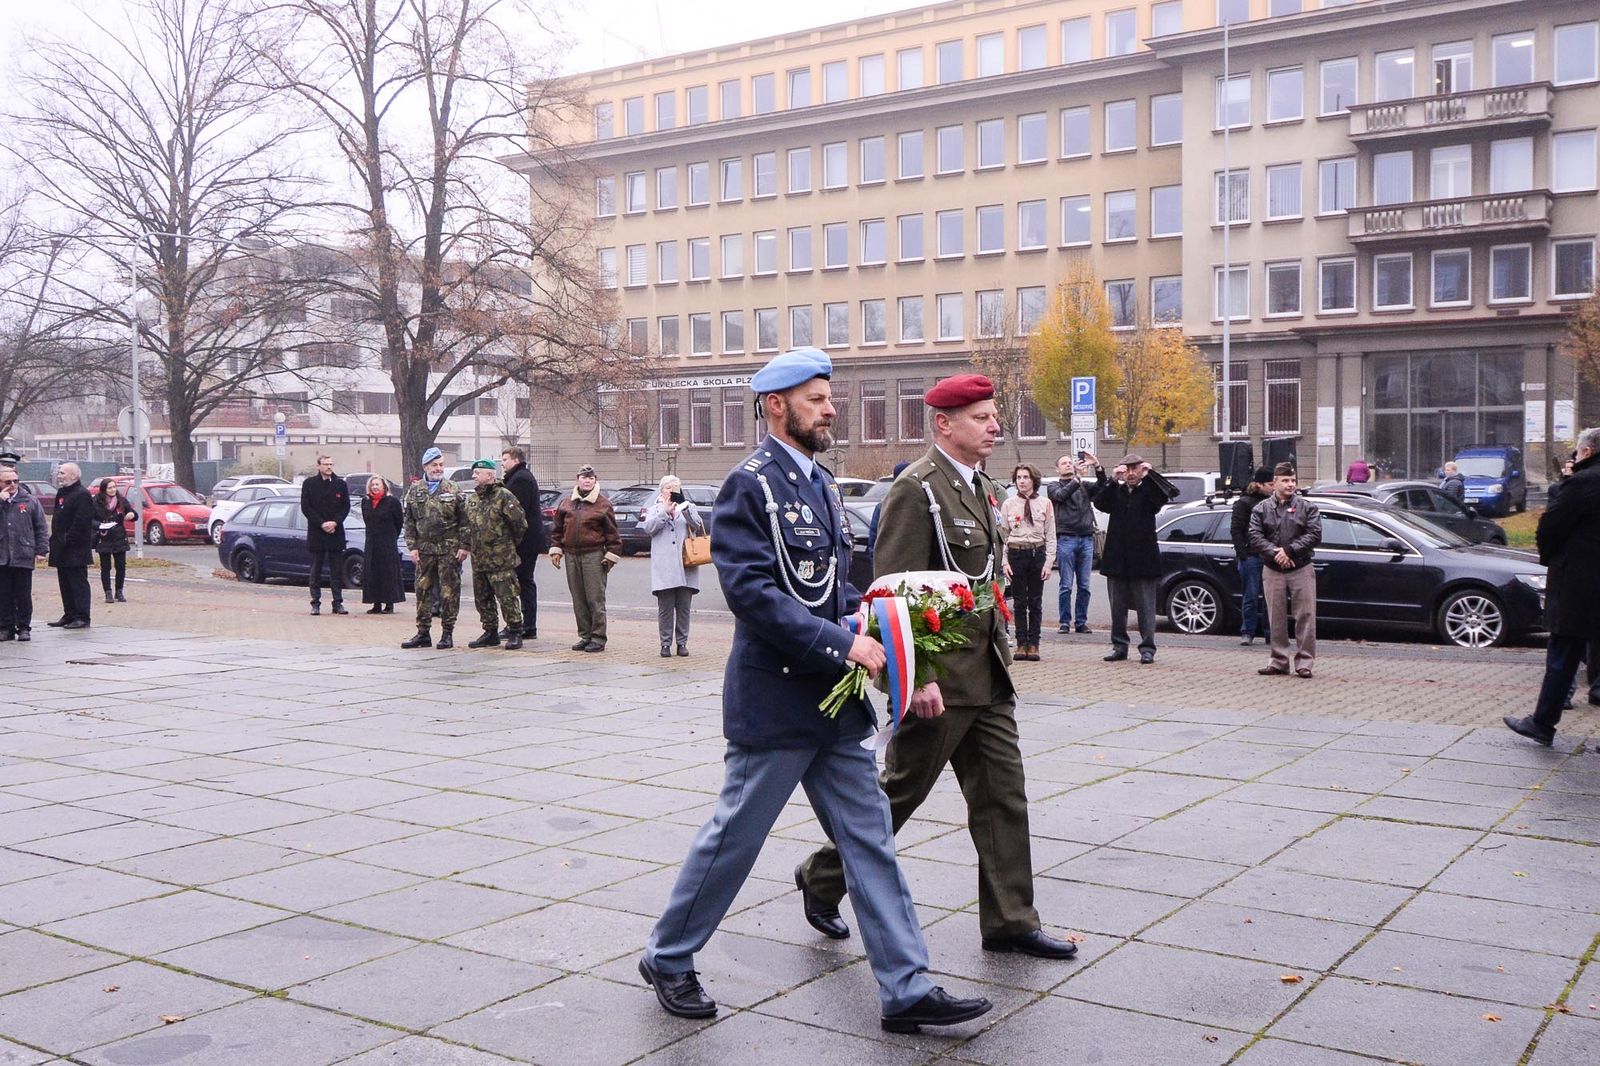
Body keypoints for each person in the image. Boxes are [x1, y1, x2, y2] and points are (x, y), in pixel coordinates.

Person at [641, 348, 992, 1034]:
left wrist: (902, 663)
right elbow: (752, 593)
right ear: (778, 405)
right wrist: (841, 644)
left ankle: (905, 987)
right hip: (775, 703)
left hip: (836, 707)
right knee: (733, 841)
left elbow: (852, 591)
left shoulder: (823, 485)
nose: (831, 408)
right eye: (818, 398)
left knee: (870, 843)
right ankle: (669, 955)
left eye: (829, 398)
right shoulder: (752, 486)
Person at [797, 372, 1079, 963]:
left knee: (1005, 797)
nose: (994, 425)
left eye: (993, 415)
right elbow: (888, 597)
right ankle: (822, 878)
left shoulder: (979, 487)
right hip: (940, 682)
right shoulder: (918, 489)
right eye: (981, 417)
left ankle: (1010, 920)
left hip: (989, 676)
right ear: (944, 424)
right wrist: (913, 678)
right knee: (898, 795)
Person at [1505, 427, 1600, 747]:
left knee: (1562, 654)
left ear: (1587, 452)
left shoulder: (1583, 483)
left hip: (1579, 582)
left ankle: (1543, 723)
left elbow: (1550, 526)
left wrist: (1550, 557)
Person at [1249, 463, 1322, 679]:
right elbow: (1254, 536)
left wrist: (1290, 551)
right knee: (1275, 616)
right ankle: (1279, 660)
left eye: (1293, 480)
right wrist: (1275, 553)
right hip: (1273, 569)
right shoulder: (1261, 508)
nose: (1290, 484)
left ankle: (1304, 662)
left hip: (1300, 567)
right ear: (1275, 482)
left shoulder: (1307, 507)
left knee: (1306, 615)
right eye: (1285, 481)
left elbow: (1314, 534)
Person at [1093, 453, 1166, 664]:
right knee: (1118, 608)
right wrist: (1113, 479)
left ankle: (1147, 648)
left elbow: (1161, 499)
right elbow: (1099, 503)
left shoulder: (1148, 490)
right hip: (1117, 559)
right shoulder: (1116, 491)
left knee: (1145, 608)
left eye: (1136, 469)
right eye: (1128, 469)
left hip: (1144, 560)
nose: (1132, 474)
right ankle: (1119, 646)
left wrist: (1150, 474)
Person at [401, 448, 468, 650]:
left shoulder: (453, 489)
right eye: (434, 465)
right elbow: (409, 522)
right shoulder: (415, 490)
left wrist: (464, 546)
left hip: (449, 550)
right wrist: (412, 548)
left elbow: (464, 521)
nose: (438, 469)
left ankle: (447, 634)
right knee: (423, 592)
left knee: (449, 593)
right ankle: (423, 633)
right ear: (425, 467)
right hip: (424, 551)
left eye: (440, 465)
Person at [549, 465, 621, 653]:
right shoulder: (566, 503)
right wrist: (556, 549)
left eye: (590, 478)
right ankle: (585, 635)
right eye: (584, 477)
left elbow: (613, 534)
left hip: (593, 555)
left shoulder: (603, 504)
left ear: (595, 480)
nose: (587, 480)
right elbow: (557, 530)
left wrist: (610, 556)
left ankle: (598, 637)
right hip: (571, 555)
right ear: (577, 479)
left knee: (595, 599)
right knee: (578, 598)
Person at [462, 460, 528, 650]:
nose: (474, 476)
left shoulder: (504, 496)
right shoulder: (473, 499)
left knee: (507, 596)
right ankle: (490, 632)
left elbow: (520, 525)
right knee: (482, 598)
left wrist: (506, 544)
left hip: (501, 558)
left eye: (477, 473)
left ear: (490, 475)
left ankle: (515, 631)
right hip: (479, 559)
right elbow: (468, 526)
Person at [640, 474, 704, 657]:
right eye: (669, 487)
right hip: (665, 566)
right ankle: (665, 644)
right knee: (665, 608)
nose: (672, 491)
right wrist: (664, 512)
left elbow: (697, 525)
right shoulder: (654, 509)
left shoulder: (688, 506)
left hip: (686, 564)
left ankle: (682, 643)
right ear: (662, 491)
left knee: (684, 608)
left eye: (676, 487)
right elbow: (648, 528)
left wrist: (683, 508)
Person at [999, 463, 1052, 661]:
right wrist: (1005, 562)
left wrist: (1048, 563)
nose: (1022, 481)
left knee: (1035, 602)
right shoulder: (1008, 504)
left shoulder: (1045, 503)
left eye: (1026, 477)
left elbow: (1051, 535)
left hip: (1037, 553)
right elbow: (1003, 534)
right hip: (1016, 553)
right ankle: (1021, 643)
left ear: (1034, 480)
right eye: (1019, 477)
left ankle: (1034, 644)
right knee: (1019, 602)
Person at [1047, 452, 1099, 635]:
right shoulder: (1053, 486)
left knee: (1084, 585)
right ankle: (1064, 622)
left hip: (1086, 538)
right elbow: (1061, 496)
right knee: (1066, 585)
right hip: (1066, 539)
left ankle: (1081, 622)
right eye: (1064, 463)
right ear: (1057, 468)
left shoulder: (1083, 485)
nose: (1068, 465)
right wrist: (1077, 478)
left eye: (1070, 462)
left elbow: (1103, 487)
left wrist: (1098, 467)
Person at [499, 447, 547, 641]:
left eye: (504, 459)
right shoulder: (517, 477)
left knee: (523, 582)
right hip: (525, 541)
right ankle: (522, 624)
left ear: (516, 460)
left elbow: (516, 513)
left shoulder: (520, 479)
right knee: (521, 582)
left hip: (524, 542)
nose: (502, 463)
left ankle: (526, 625)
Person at [0, 466, 48, 641]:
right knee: (4, 594)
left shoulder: (29, 500)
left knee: (23, 595)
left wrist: (42, 550)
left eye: (15, 481)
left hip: (23, 553)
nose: (12, 485)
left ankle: (24, 627)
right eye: (7, 482)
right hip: (2, 555)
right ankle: (6, 627)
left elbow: (41, 526)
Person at [48, 463, 96, 630]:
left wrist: (68, 540)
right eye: (59, 473)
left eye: (62, 473)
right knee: (65, 582)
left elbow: (81, 522)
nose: (59, 476)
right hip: (60, 547)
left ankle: (82, 616)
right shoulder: (62, 493)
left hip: (75, 549)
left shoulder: (82, 494)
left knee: (78, 583)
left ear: (74, 476)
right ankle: (69, 613)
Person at [300, 454, 349, 616]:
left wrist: (335, 522)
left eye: (331, 464)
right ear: (318, 466)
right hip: (317, 532)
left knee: (336, 570)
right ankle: (315, 603)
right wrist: (322, 523)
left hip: (335, 532)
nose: (329, 467)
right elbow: (306, 508)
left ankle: (338, 602)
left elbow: (345, 507)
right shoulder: (309, 484)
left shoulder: (340, 484)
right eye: (326, 464)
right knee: (316, 570)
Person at [1230, 466, 1274, 646]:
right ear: (1259, 484)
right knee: (1251, 595)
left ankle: (1270, 633)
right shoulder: (1244, 503)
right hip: (1252, 556)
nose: (1273, 487)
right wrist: (1243, 555)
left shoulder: (1274, 502)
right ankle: (1247, 631)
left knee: (1271, 598)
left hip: (1269, 555)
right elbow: (1236, 531)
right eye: (1270, 484)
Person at [359, 476, 405, 614]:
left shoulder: (392, 502)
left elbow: (399, 522)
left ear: (384, 486)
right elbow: (367, 520)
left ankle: (389, 604)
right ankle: (376, 603)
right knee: (373, 572)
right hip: (372, 543)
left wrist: (391, 537)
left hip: (387, 543)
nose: (374, 487)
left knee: (387, 573)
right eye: (372, 485)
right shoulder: (365, 502)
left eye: (377, 484)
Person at [92, 479, 134, 604]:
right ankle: (108, 592)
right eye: (109, 488)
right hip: (104, 537)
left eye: (114, 487)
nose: (112, 490)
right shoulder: (96, 502)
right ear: (104, 489)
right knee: (105, 567)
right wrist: (99, 525)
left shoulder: (121, 500)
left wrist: (131, 514)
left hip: (119, 537)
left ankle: (119, 591)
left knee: (121, 566)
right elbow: (90, 519)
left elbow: (132, 512)